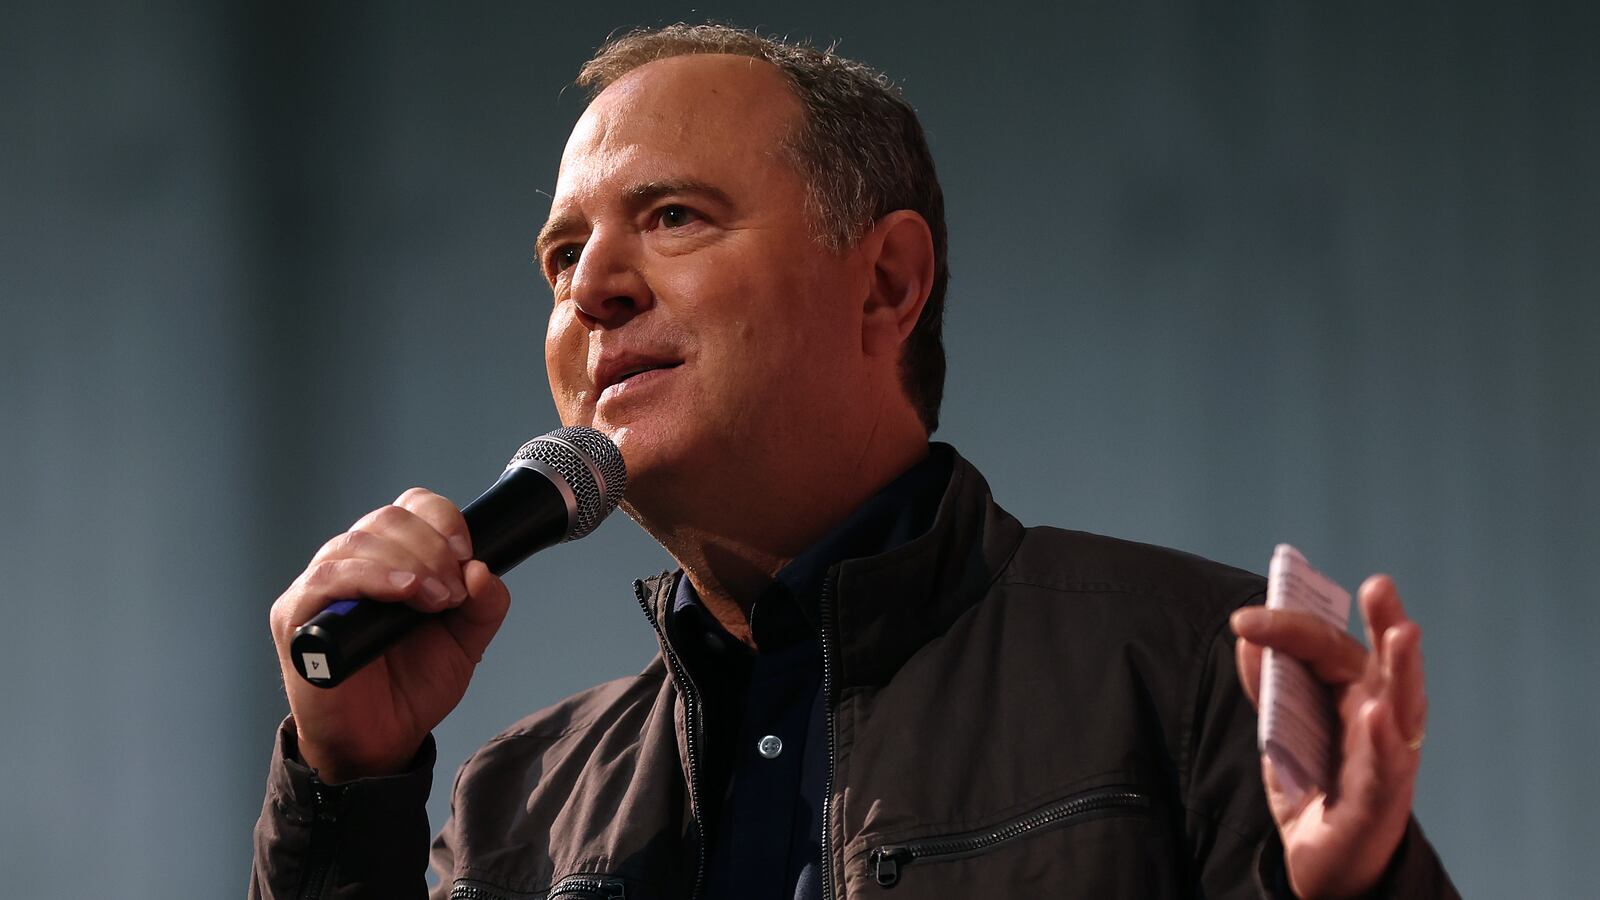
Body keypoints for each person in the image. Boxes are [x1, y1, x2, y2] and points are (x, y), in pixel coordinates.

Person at [251, 23, 1458, 900]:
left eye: (671, 217)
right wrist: (344, 788)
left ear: (885, 281)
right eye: (561, 258)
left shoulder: (1196, 667)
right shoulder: (514, 806)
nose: (594, 291)